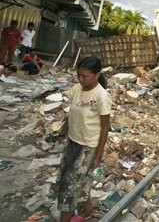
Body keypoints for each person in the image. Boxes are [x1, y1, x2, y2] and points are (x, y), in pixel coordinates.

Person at [56, 57, 111, 221]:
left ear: (96, 75)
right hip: (73, 141)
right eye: (78, 75)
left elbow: (105, 127)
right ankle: (87, 210)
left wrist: (98, 157)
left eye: (84, 76)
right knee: (75, 179)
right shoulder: (76, 89)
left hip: (88, 147)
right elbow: (71, 113)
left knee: (68, 188)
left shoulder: (102, 96)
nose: (80, 79)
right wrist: (62, 133)